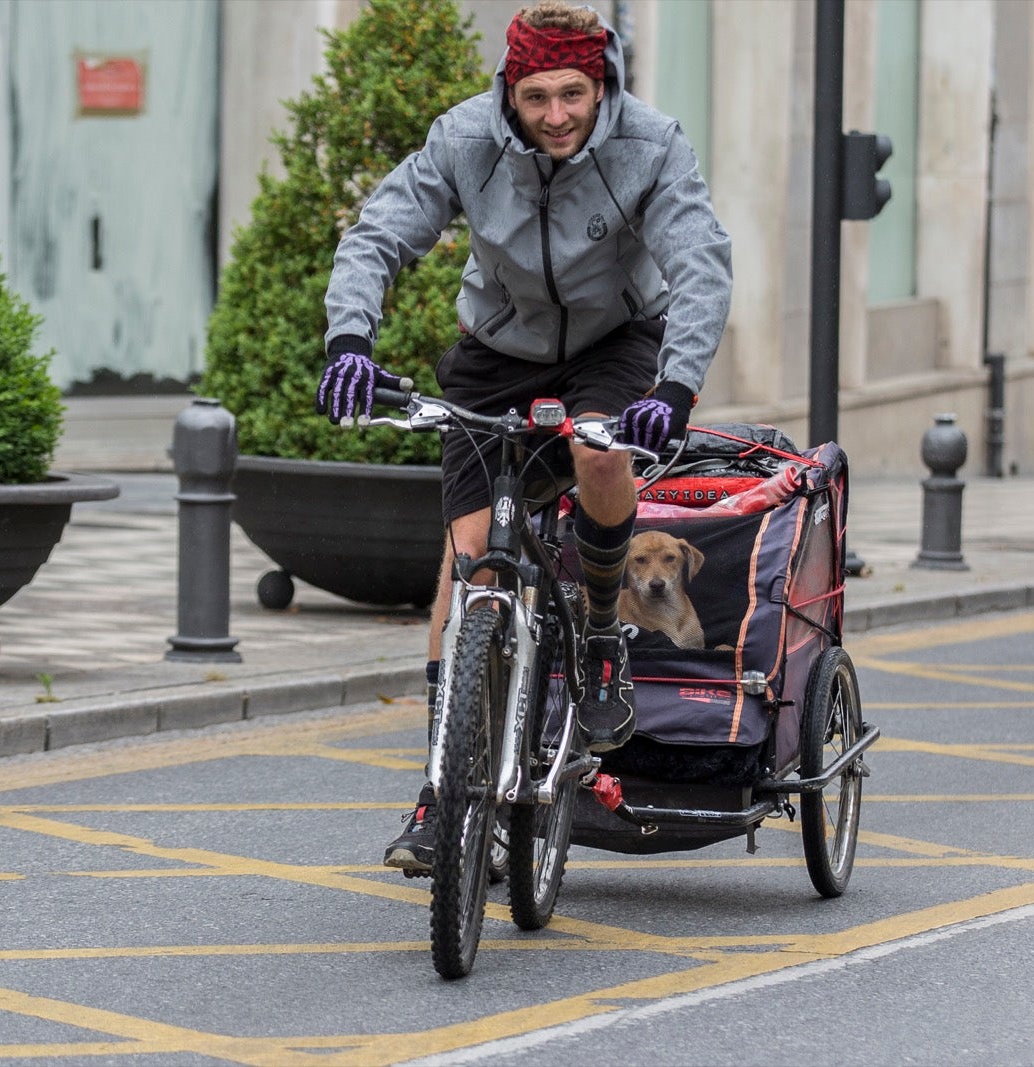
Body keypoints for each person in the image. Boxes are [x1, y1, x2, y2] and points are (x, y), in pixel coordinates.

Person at [316, 0, 733, 871]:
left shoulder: (651, 144)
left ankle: (606, 632)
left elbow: (699, 262)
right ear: (510, 88)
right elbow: (380, 232)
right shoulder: (465, 138)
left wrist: (677, 385)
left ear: (602, 82)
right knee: (468, 561)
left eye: (573, 94)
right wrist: (349, 338)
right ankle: (441, 791)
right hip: (497, 351)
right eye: (535, 95)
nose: (554, 115)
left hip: (616, 343)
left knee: (597, 450)